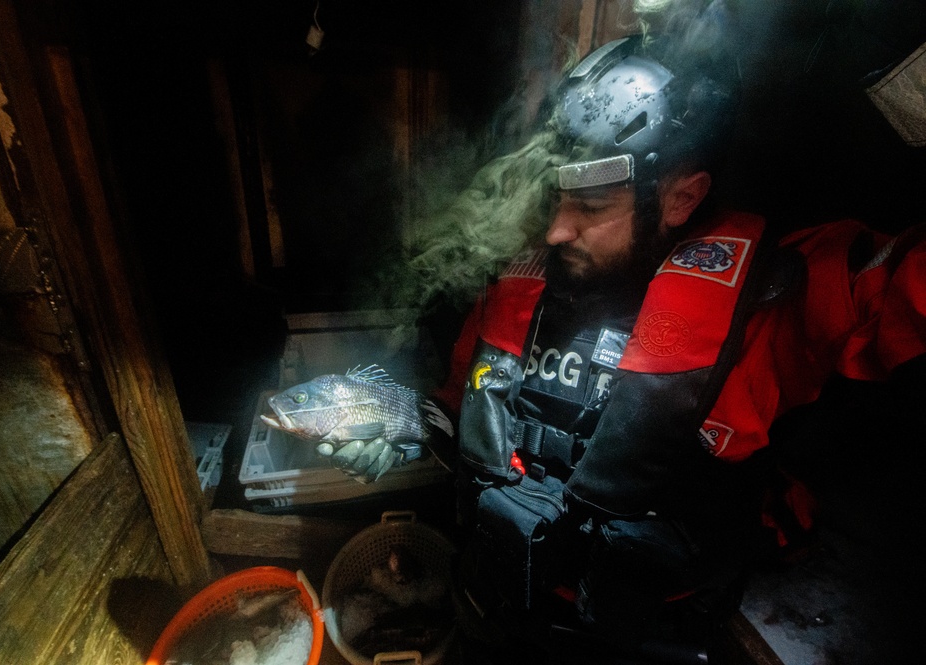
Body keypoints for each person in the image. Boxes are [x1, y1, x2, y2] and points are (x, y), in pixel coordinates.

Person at [325, 25, 926, 664]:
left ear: (681, 198)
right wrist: (407, 425)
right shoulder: (524, 286)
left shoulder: (776, 299)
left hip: (644, 638)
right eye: (558, 198)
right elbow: (463, 402)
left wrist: (898, 56)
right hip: (501, 606)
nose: (556, 229)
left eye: (590, 205)